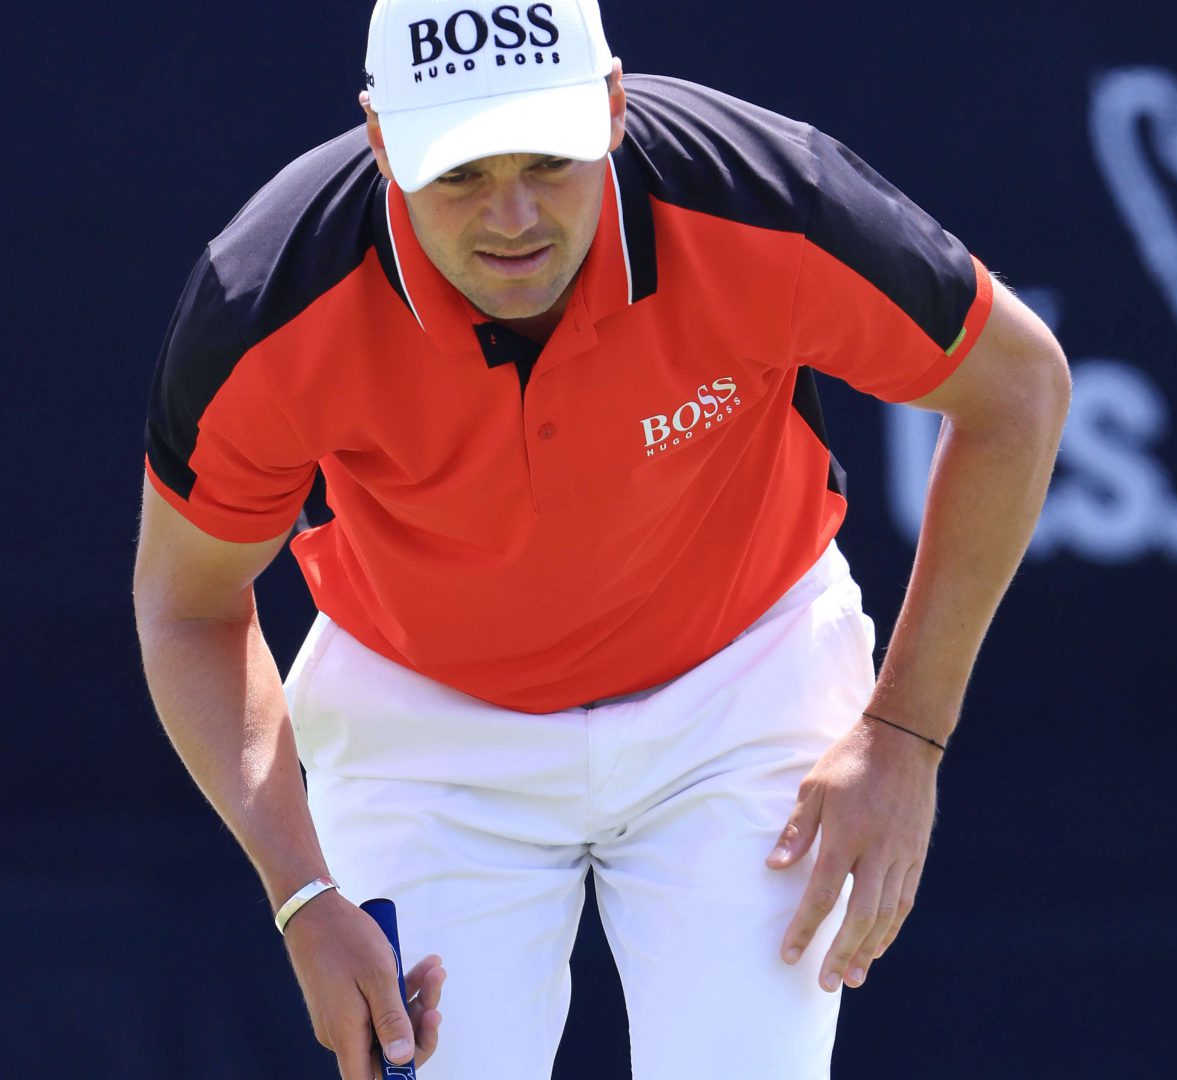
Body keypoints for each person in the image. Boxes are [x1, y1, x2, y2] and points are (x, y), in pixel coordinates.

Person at [130, 0, 1069, 1076]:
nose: (515, 216)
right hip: (424, 730)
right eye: (462, 173)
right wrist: (300, 892)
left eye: (549, 159)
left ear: (614, 109)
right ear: (382, 140)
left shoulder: (767, 200)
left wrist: (907, 735)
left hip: (740, 685)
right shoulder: (264, 300)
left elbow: (1020, 388)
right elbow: (188, 605)